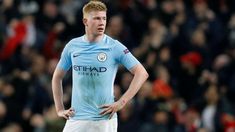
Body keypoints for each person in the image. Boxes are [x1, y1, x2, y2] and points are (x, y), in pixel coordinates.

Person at [51, 0, 149, 132]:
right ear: (85, 21)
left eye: (104, 18)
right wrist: (59, 109)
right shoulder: (72, 46)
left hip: (104, 120)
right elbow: (57, 77)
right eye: (97, 18)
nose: (102, 22)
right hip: (76, 118)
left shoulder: (114, 46)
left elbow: (142, 73)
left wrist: (121, 103)